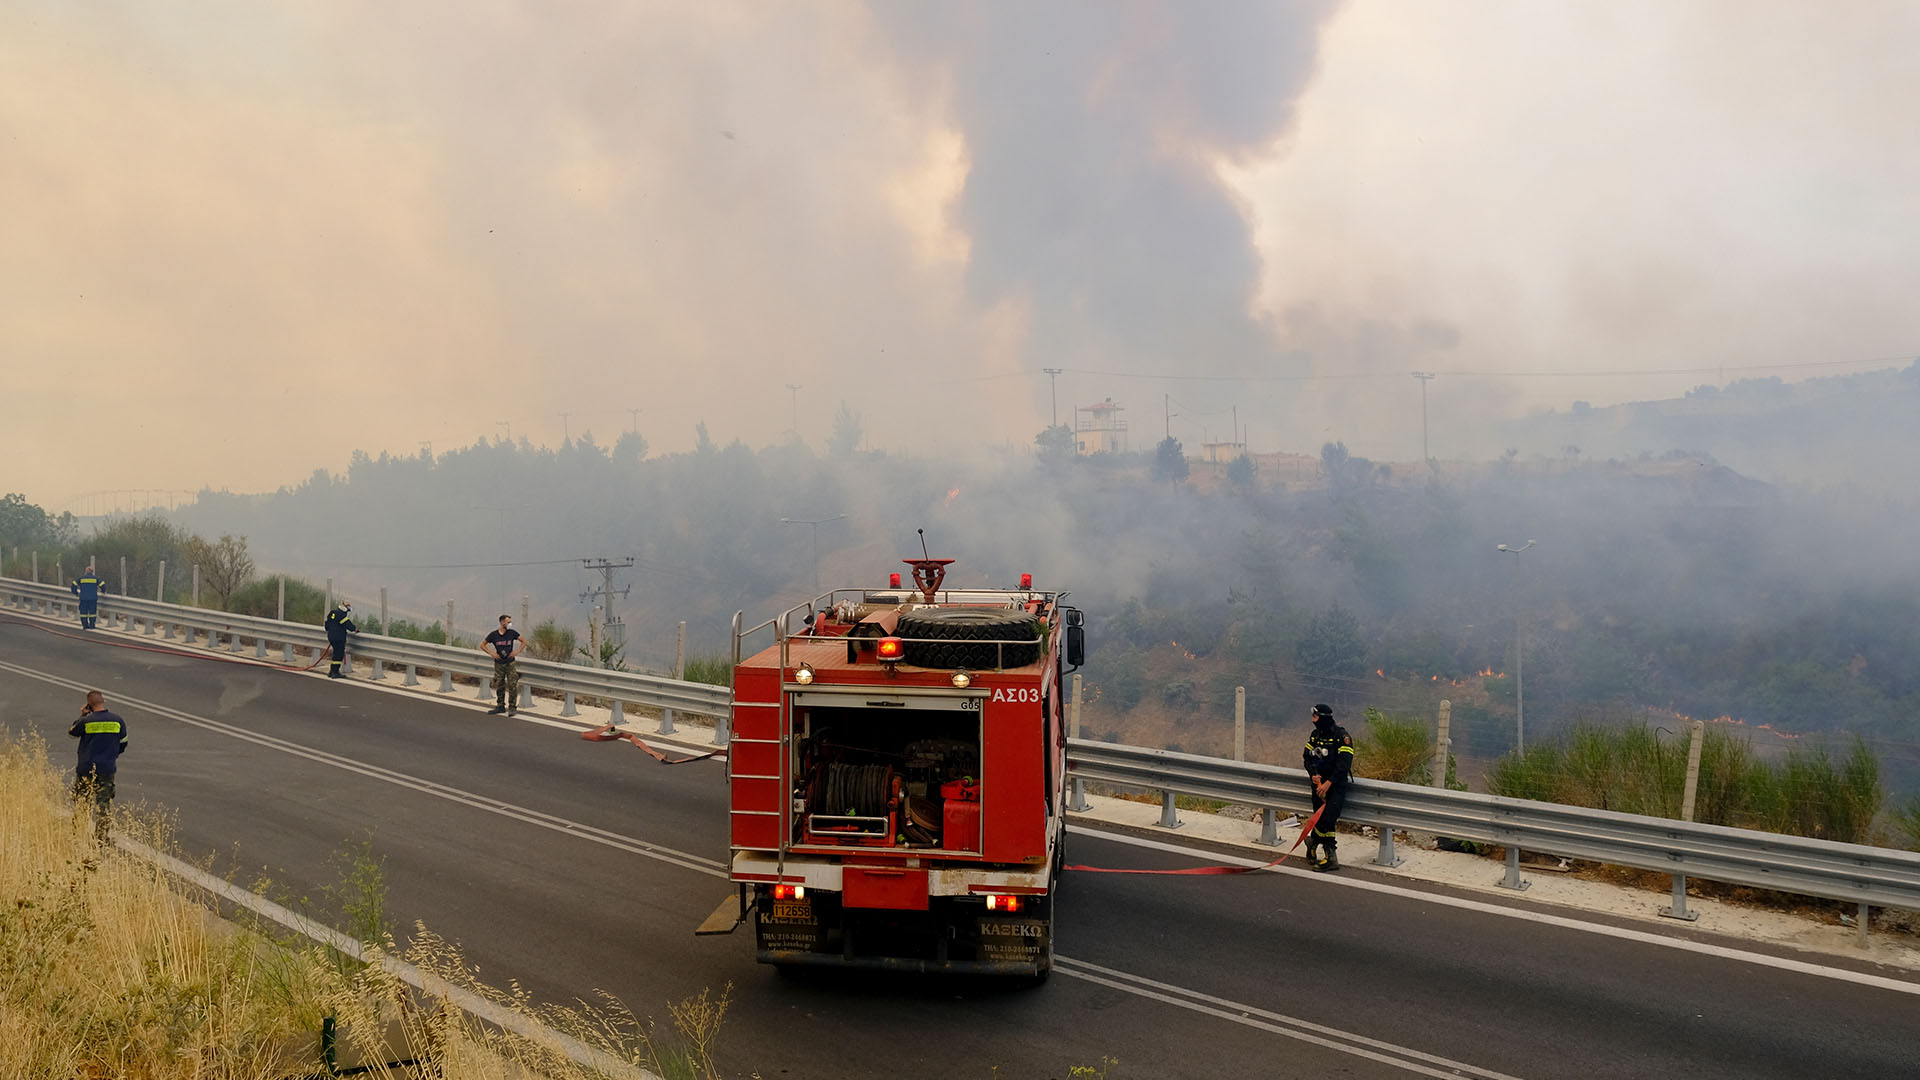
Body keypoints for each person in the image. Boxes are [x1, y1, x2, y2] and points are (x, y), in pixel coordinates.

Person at [1301, 703, 1354, 871]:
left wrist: (1328, 783)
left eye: (1315, 717)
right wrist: (1313, 774)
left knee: (1328, 820)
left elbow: (1344, 764)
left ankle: (1316, 844)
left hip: (1335, 785)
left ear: (1323, 717)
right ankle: (1326, 854)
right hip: (1318, 785)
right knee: (1321, 820)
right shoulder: (1315, 735)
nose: (1312, 720)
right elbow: (1307, 757)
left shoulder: (1342, 736)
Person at [70, 690, 127, 843]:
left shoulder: (86, 721)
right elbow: (123, 743)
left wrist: (82, 715)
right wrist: (113, 755)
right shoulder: (117, 720)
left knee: (82, 802)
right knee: (104, 804)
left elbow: (72, 733)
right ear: (103, 701)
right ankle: (101, 838)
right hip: (107, 768)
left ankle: (78, 835)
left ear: (89, 704)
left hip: (86, 768)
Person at [483, 614, 523, 715]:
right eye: (508, 622)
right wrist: (492, 653)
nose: (509, 623)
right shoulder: (494, 635)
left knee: (512, 685)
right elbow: (482, 645)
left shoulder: (512, 633)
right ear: (502, 622)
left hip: (510, 663)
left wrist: (517, 651)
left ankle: (512, 707)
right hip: (499, 664)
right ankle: (500, 706)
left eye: (510, 621)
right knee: (499, 684)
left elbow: (524, 641)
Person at [324, 600, 357, 679]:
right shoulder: (341, 615)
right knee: (339, 655)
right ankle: (335, 672)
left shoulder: (332, 613)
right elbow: (349, 625)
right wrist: (355, 629)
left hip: (331, 636)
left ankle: (332, 671)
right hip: (339, 638)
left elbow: (327, 625)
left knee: (336, 654)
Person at [70, 564, 104, 630]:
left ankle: (85, 625)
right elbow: (103, 585)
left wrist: (76, 593)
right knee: (92, 612)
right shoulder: (96, 579)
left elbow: (73, 585)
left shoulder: (81, 578)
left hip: (83, 598)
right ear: (92, 572)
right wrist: (103, 591)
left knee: (83, 612)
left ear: (86, 571)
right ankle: (92, 625)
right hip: (93, 599)